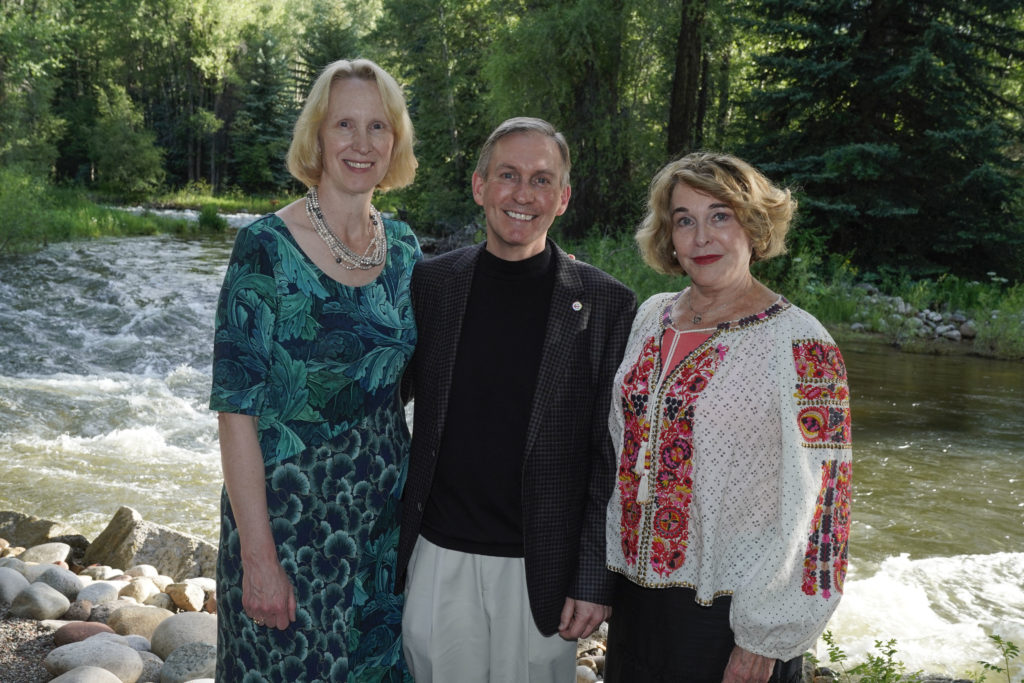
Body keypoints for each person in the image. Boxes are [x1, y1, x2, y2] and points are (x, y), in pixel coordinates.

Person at [395, 117, 637, 682]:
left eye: (541, 179)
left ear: (563, 198)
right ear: (480, 186)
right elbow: (382, 403)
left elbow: (612, 458)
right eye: (508, 175)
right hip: (438, 555)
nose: (523, 194)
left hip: (541, 574)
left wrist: (593, 578)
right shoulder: (431, 284)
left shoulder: (606, 304)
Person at [604, 152, 852, 683]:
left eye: (720, 215)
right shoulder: (651, 317)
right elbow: (623, 449)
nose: (701, 237)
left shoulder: (802, 343)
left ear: (754, 224)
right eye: (684, 219)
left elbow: (823, 506)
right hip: (636, 602)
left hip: (730, 613)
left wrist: (764, 639)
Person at [209, 58, 419, 682]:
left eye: (378, 127)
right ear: (317, 138)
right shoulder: (265, 248)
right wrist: (259, 558)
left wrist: (544, 275)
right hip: (289, 528)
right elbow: (235, 411)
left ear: (395, 142)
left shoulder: (405, 248)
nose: (361, 144)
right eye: (344, 125)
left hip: (383, 530)